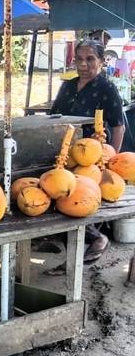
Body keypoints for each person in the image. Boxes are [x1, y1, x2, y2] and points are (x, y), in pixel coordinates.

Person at [50, 38, 125, 263]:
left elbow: (118, 126)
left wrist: (112, 160)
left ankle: (96, 237)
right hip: (68, 149)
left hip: (94, 154)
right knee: (61, 193)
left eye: (90, 59)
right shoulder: (68, 85)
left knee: (81, 197)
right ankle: (71, 246)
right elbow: (54, 116)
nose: (83, 64)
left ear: (102, 61)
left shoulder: (107, 87)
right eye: (79, 59)